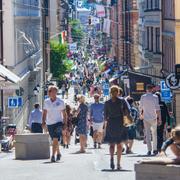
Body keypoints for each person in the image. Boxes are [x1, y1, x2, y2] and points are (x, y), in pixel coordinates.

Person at [104, 85, 132, 170]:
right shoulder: (122, 101)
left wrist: (105, 127)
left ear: (110, 92)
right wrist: (128, 119)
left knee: (111, 144)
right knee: (119, 145)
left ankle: (112, 158)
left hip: (111, 123)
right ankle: (118, 164)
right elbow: (128, 111)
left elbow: (105, 116)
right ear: (118, 92)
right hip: (120, 123)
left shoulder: (107, 102)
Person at [42, 86, 67, 162]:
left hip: (58, 122)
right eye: (49, 91)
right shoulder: (46, 102)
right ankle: (58, 153)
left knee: (55, 139)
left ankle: (53, 156)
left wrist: (65, 123)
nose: (50, 93)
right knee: (54, 140)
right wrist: (43, 122)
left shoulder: (60, 102)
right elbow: (44, 113)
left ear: (55, 92)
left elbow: (64, 113)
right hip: (50, 123)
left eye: (52, 91)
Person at [139, 84, 161, 156]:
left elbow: (140, 107)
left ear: (146, 89)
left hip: (145, 118)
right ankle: (155, 150)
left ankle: (149, 150)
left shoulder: (143, 97)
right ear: (152, 89)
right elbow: (157, 109)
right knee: (154, 134)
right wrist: (159, 118)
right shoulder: (155, 97)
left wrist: (141, 114)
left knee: (147, 134)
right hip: (153, 118)